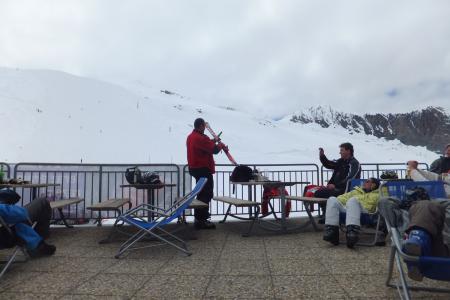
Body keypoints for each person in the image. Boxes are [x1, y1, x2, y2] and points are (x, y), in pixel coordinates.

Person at [379, 197, 450, 281]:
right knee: (426, 206)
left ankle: (415, 258)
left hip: (439, 257)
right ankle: (417, 242)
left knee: (425, 205)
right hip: (433, 249)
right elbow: (384, 202)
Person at [186, 118, 227, 229]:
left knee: (201, 193)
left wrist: (213, 141)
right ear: (201, 126)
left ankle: (199, 219)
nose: (205, 128)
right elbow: (214, 150)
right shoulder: (201, 138)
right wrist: (221, 145)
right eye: (204, 126)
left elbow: (204, 146)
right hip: (203, 168)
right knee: (206, 194)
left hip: (194, 168)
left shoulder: (191, 137)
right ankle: (202, 220)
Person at [323, 177, 380, 248]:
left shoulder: (377, 195)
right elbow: (341, 198)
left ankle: (352, 233)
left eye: (367, 181)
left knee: (353, 200)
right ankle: (331, 231)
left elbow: (370, 206)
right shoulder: (356, 191)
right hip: (349, 209)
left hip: (364, 212)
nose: (364, 183)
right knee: (332, 199)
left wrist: (355, 202)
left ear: (373, 185)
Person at [0, 190, 56, 257]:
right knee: (41, 202)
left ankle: (38, 244)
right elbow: (21, 214)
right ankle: (38, 244)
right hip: (6, 235)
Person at [315, 143, 361, 222]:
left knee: (322, 193)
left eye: (342, 150)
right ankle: (327, 214)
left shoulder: (354, 163)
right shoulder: (341, 161)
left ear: (348, 151)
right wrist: (322, 157)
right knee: (318, 192)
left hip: (346, 190)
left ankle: (329, 215)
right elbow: (329, 164)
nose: (340, 152)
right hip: (336, 188)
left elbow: (350, 178)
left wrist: (335, 185)